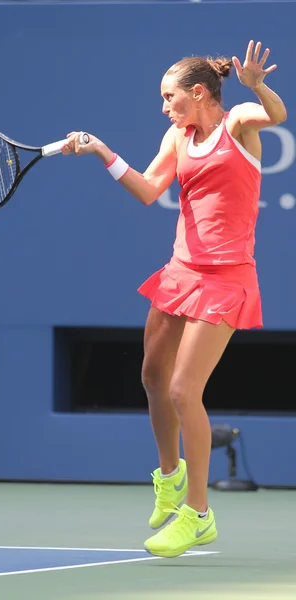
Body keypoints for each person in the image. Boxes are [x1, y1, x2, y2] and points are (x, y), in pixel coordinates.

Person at [62, 40, 287, 558]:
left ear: (199, 93)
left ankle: (199, 515)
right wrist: (101, 150)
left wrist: (257, 84)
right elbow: (146, 190)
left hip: (227, 278)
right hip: (181, 270)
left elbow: (275, 113)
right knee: (152, 377)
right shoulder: (176, 136)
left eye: (170, 98)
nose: (164, 108)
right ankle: (170, 477)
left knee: (185, 391)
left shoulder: (238, 126)